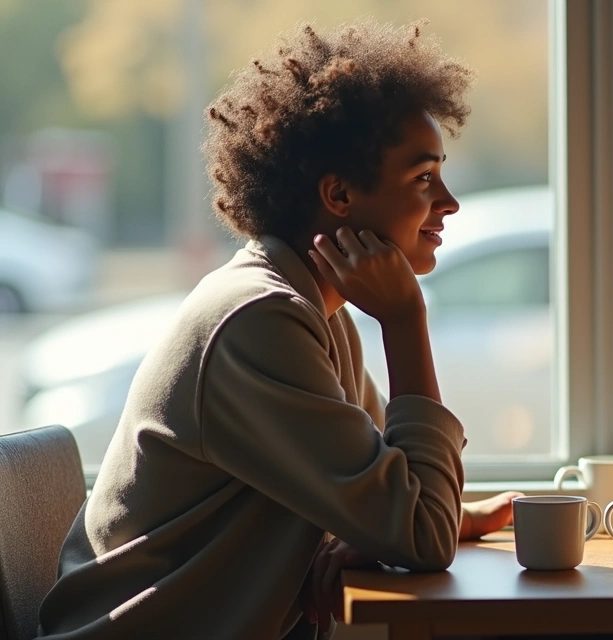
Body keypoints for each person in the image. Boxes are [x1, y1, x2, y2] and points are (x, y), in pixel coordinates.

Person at [38, 20, 519, 640]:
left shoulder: (315, 311)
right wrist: (405, 322)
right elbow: (419, 531)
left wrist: (387, 523)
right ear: (339, 194)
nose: (449, 203)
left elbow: (389, 496)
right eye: (423, 178)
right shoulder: (259, 321)